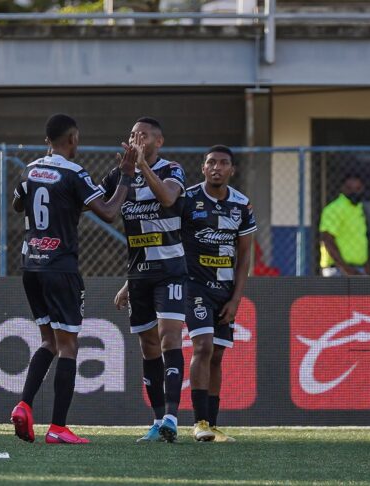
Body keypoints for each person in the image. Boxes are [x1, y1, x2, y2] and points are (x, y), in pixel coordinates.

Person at [10, 114, 135, 444]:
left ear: (47, 140)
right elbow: (109, 212)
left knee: (48, 342)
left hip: (31, 266)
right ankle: (58, 427)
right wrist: (125, 177)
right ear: (73, 139)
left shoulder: (29, 169)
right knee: (68, 346)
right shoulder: (74, 172)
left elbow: (18, 203)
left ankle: (24, 404)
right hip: (60, 268)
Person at [104, 117, 187, 443]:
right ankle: (157, 421)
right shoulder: (118, 175)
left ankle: (172, 417)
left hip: (170, 270)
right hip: (139, 274)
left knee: (169, 338)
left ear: (158, 142)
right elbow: (99, 205)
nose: (136, 139)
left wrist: (142, 167)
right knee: (149, 346)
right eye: (132, 134)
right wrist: (127, 173)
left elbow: (167, 198)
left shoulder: (172, 170)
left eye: (143, 135)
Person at [181, 146, 255, 442]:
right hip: (194, 286)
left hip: (224, 290)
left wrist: (236, 299)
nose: (216, 167)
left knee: (217, 355)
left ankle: (211, 424)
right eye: (211, 162)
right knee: (203, 347)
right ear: (203, 168)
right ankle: (198, 422)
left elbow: (245, 256)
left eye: (223, 163)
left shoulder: (242, 204)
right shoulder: (188, 199)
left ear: (232, 170)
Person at [319, 174, 370, 276]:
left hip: (358, 269)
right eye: (349, 188)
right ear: (342, 189)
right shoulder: (334, 209)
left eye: (358, 189)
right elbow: (327, 240)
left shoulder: (359, 209)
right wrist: (345, 269)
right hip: (337, 270)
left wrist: (365, 264)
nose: (354, 192)